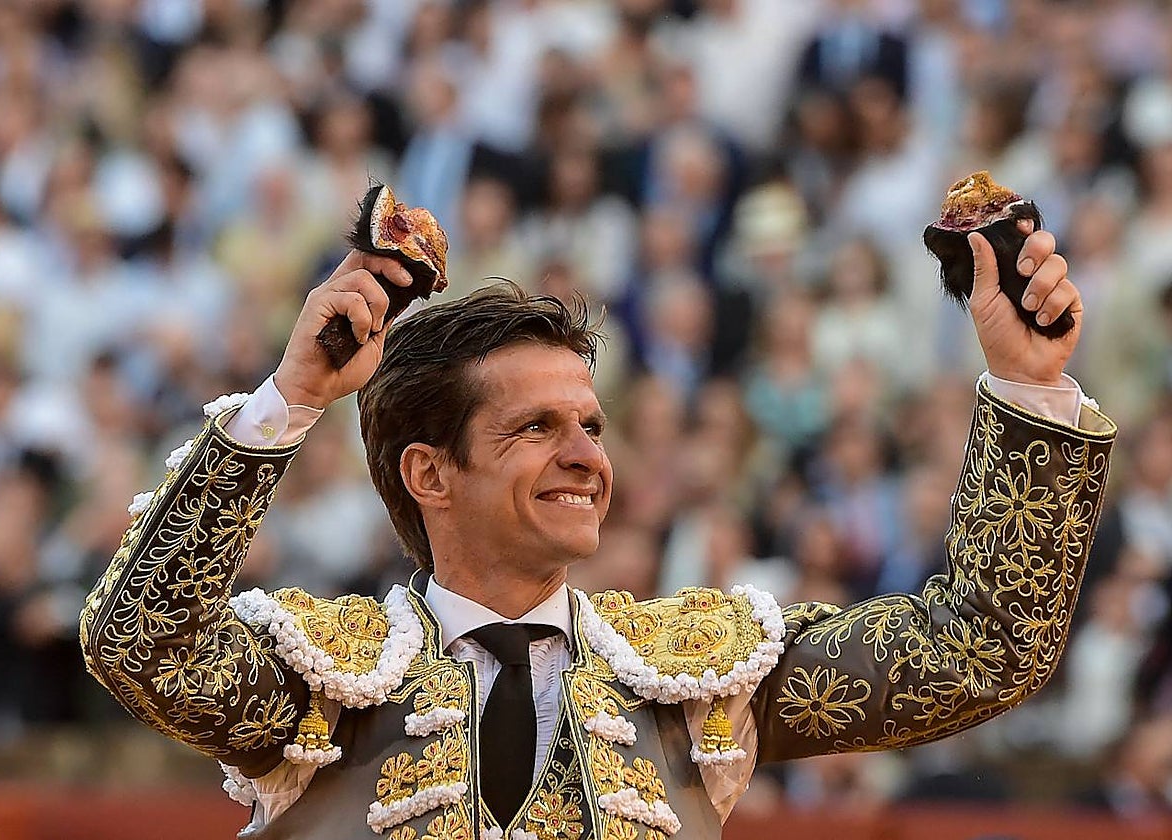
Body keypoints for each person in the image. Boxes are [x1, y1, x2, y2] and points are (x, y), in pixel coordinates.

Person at [81, 221, 1116, 840]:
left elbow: (978, 652)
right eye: (536, 428)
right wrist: (293, 393)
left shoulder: (705, 675)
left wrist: (1031, 384)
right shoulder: (322, 681)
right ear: (429, 473)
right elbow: (138, 640)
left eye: (591, 425)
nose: (587, 455)